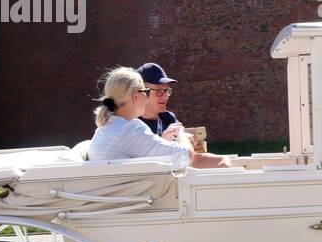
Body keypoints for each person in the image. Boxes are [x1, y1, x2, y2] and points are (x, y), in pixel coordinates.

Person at [89, 67, 233, 168]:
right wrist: (183, 136)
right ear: (135, 96)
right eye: (146, 91)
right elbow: (186, 156)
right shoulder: (130, 129)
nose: (146, 97)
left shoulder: (107, 127)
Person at [136, 61, 233, 168]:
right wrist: (162, 143)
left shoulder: (168, 118)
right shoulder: (132, 126)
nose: (165, 97)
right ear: (142, 92)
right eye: (159, 91)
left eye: (166, 90)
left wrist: (223, 160)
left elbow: (191, 158)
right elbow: (140, 167)